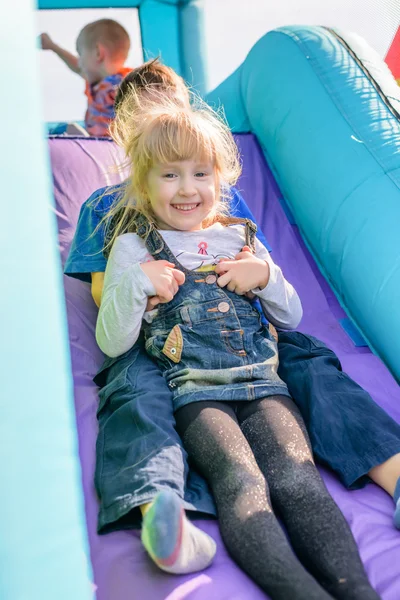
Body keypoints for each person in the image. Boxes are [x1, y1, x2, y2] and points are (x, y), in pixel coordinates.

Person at [64, 60, 400, 575]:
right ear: (129, 135)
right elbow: (103, 294)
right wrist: (143, 288)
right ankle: (162, 507)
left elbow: (261, 273)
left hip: (241, 339)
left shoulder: (218, 196)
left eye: (174, 110)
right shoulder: (108, 206)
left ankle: (395, 473)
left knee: (307, 358)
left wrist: (255, 278)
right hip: (159, 337)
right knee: (135, 389)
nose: (188, 183)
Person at [40, 19, 132, 136]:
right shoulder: (98, 82)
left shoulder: (128, 86)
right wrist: (53, 46)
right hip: (98, 144)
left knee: (66, 130)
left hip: (114, 148)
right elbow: (78, 68)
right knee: (66, 128)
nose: (79, 62)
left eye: (81, 55)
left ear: (98, 53)